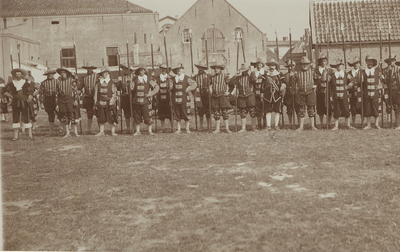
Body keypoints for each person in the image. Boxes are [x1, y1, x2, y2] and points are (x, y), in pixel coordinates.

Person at [3, 68, 34, 140]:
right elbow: (4, 91)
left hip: (24, 102)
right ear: (14, 75)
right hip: (15, 102)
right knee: (15, 118)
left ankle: (30, 135)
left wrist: (29, 97)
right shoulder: (11, 83)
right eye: (16, 74)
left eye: (19, 74)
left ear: (22, 75)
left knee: (27, 118)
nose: (18, 76)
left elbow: (30, 92)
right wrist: (10, 96)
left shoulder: (26, 83)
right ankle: (15, 136)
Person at [131, 65, 159, 136]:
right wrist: (131, 86)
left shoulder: (149, 79)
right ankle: (137, 131)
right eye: (140, 71)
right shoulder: (135, 80)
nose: (141, 72)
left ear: (144, 71)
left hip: (146, 101)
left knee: (148, 116)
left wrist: (151, 94)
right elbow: (132, 89)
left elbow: (156, 87)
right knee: (137, 116)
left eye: (142, 70)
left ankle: (150, 131)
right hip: (136, 101)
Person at [169, 63, 197, 133]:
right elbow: (170, 88)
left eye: (180, 69)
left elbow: (194, 84)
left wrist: (189, 88)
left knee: (185, 113)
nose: (179, 70)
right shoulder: (172, 79)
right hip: (175, 99)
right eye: (177, 69)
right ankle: (179, 129)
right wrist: (169, 84)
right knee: (177, 114)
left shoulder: (186, 78)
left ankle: (187, 128)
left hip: (184, 99)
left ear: (182, 70)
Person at [329, 60, 355, 130]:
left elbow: (352, 80)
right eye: (337, 65)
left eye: (340, 65)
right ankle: (336, 126)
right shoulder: (332, 75)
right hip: (336, 96)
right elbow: (327, 82)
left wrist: (349, 85)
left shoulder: (346, 74)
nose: (338, 66)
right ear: (335, 67)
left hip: (344, 95)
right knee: (336, 110)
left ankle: (348, 124)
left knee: (346, 109)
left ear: (342, 66)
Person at [294, 56, 318, 131]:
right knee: (301, 109)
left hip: (310, 92)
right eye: (303, 64)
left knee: (311, 109)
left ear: (309, 65)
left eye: (306, 64)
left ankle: (312, 126)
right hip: (301, 93)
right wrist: (292, 77)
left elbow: (318, 79)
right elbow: (294, 82)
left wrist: (315, 85)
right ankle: (301, 126)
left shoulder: (312, 72)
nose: (305, 66)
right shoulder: (297, 73)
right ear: (301, 65)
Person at [232, 64, 257, 132]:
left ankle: (254, 127)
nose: (245, 72)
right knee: (242, 112)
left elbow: (254, 79)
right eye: (243, 71)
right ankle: (243, 128)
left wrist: (252, 72)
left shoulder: (250, 77)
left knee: (252, 112)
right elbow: (231, 83)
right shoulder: (238, 78)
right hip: (241, 96)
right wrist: (235, 75)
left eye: (246, 71)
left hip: (250, 95)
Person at [93, 67, 118, 136]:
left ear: (107, 73)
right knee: (101, 117)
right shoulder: (98, 83)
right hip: (100, 102)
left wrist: (112, 100)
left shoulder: (111, 82)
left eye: (105, 73)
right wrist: (95, 101)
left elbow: (114, 92)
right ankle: (101, 131)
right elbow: (96, 92)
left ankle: (112, 131)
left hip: (109, 102)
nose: (104, 74)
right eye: (102, 73)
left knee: (111, 117)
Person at [263, 59, 286, 130]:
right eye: (270, 65)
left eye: (273, 65)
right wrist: (261, 93)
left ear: (276, 66)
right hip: (267, 95)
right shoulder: (265, 75)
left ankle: (276, 125)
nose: (271, 67)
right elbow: (262, 85)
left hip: (277, 95)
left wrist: (283, 85)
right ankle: (268, 125)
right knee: (268, 110)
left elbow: (284, 82)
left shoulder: (280, 74)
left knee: (277, 110)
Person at [56, 67, 80, 137]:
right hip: (61, 100)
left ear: (66, 73)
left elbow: (75, 91)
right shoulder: (58, 81)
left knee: (72, 115)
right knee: (64, 116)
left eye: (63, 73)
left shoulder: (71, 80)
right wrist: (57, 104)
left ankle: (75, 132)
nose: (62, 74)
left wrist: (75, 100)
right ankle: (67, 132)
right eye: (61, 73)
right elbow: (57, 93)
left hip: (70, 99)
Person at [210, 63, 232, 133]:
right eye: (215, 68)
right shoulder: (212, 77)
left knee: (224, 112)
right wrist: (210, 89)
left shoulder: (225, 76)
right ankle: (217, 129)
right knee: (216, 112)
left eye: (218, 68)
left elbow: (231, 84)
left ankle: (227, 128)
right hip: (214, 96)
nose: (216, 69)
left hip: (222, 96)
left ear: (220, 69)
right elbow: (209, 85)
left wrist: (229, 92)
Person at [361, 55, 382, 130]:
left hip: (375, 93)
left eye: (371, 62)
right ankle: (368, 124)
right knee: (368, 109)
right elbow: (360, 82)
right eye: (368, 61)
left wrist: (380, 86)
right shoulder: (363, 72)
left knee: (375, 108)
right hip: (366, 93)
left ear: (373, 63)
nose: (369, 63)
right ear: (366, 62)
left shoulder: (377, 71)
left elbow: (382, 80)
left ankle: (376, 124)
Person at [314, 54, 333, 128]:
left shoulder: (330, 70)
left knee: (329, 107)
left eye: (325, 61)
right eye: (322, 61)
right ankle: (321, 123)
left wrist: (330, 78)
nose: (323, 63)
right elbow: (315, 80)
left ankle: (329, 123)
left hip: (328, 92)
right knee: (320, 107)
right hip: (319, 91)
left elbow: (333, 80)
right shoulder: (316, 71)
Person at [78, 63, 98, 134]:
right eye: (88, 69)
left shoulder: (97, 76)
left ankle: (100, 130)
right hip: (87, 97)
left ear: (92, 69)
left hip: (95, 97)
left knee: (98, 113)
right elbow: (80, 87)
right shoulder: (84, 77)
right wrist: (76, 81)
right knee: (89, 113)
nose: (89, 70)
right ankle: (89, 129)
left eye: (90, 68)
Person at [40, 69, 59, 136]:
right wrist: (41, 103)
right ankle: (51, 132)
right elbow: (41, 93)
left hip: (56, 99)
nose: (50, 75)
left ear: (53, 74)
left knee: (60, 114)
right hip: (48, 100)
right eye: (48, 74)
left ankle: (64, 130)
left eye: (51, 74)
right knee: (50, 115)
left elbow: (60, 91)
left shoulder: (57, 81)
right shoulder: (43, 83)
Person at [193, 62, 211, 131]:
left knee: (207, 111)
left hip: (206, 95)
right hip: (198, 95)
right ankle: (201, 126)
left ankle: (208, 126)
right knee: (200, 111)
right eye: (199, 68)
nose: (200, 69)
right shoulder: (196, 76)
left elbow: (212, 81)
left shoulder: (207, 75)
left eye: (202, 68)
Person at [155, 63, 173, 132]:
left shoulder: (170, 77)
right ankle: (162, 128)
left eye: (165, 69)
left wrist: (170, 81)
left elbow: (172, 87)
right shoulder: (157, 78)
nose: (163, 70)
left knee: (170, 114)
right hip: (160, 98)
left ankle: (172, 128)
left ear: (167, 70)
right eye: (162, 69)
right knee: (161, 114)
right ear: (160, 69)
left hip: (168, 98)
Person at [382, 55, 399, 128]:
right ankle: (389, 123)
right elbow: (383, 80)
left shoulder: (397, 69)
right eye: (389, 61)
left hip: (395, 89)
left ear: (394, 61)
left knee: (396, 106)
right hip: (387, 90)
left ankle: (397, 123)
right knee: (388, 106)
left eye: (392, 60)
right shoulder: (384, 70)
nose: (390, 62)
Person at [117, 65, 135, 133]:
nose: (124, 71)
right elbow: (118, 88)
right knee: (126, 113)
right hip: (125, 97)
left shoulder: (133, 77)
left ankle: (134, 128)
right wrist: (119, 82)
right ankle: (128, 128)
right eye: (123, 70)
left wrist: (130, 82)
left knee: (133, 113)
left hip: (132, 97)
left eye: (126, 69)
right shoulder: (121, 78)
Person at [250, 58, 266, 130]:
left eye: (260, 65)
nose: (259, 66)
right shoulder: (253, 72)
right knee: (258, 109)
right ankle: (259, 124)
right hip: (256, 92)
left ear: (262, 65)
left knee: (264, 108)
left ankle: (265, 124)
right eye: (257, 65)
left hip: (264, 93)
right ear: (256, 65)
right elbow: (252, 80)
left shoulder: (265, 72)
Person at [347, 58, 363, 127]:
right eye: (354, 63)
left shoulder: (363, 72)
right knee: (353, 107)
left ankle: (362, 122)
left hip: (360, 92)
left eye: (357, 63)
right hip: (352, 92)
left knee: (361, 107)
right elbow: (347, 83)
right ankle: (353, 122)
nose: (356, 65)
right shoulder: (349, 73)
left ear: (359, 64)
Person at [283, 60, 298, 128]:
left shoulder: (297, 74)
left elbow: (298, 81)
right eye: (289, 66)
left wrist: (294, 76)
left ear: (294, 66)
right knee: (289, 109)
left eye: (292, 66)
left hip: (296, 93)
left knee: (298, 108)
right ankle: (291, 124)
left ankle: (298, 123)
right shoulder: (285, 75)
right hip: (288, 94)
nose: (290, 68)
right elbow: (284, 83)